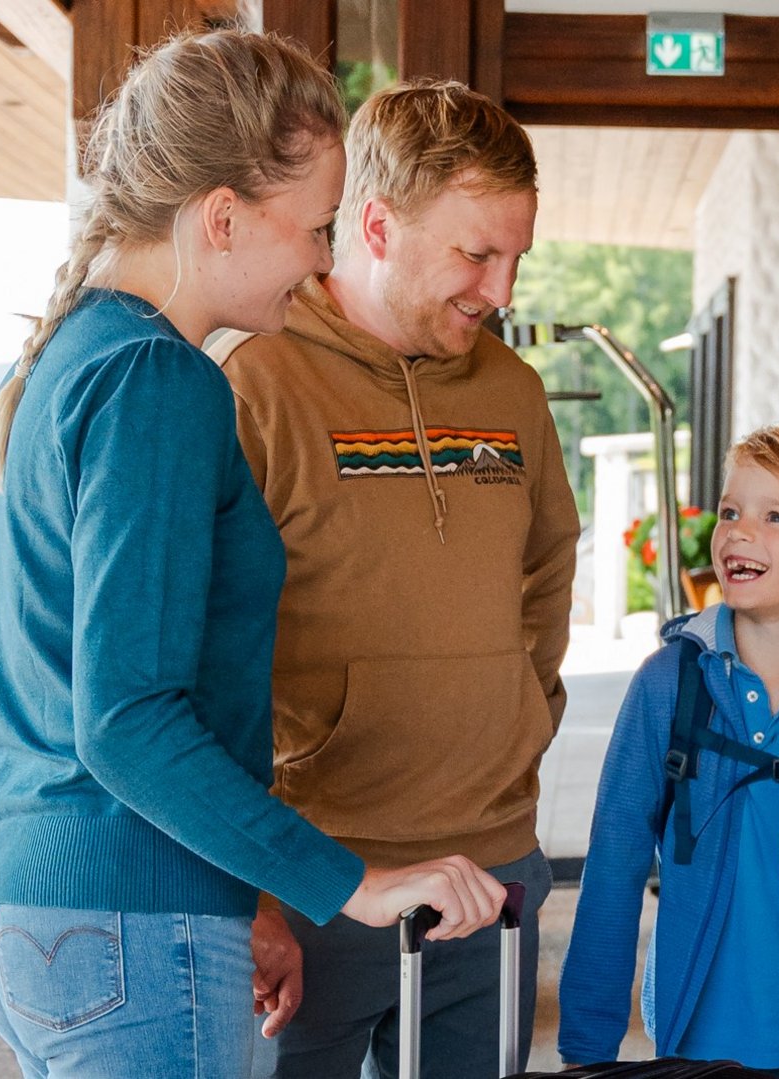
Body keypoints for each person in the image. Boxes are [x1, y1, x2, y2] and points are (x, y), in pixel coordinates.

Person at [0, 31, 506, 1078]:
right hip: (130, 923)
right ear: (223, 217)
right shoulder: (159, 382)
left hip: (55, 911)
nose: (320, 259)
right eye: (314, 227)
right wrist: (351, 882)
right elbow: (126, 719)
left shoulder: (75, 353)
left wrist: (248, 892)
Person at [208, 78, 578, 1078]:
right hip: (319, 874)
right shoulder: (257, 379)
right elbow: (200, 652)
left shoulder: (515, 390)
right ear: (375, 223)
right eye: (476, 253)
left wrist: (518, 719)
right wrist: (256, 885)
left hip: (494, 864)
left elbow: (546, 575)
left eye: (515, 257)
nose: (501, 291)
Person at [558, 422, 779, 1076]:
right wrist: (586, 1052)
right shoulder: (669, 683)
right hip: (695, 1041)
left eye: (773, 515)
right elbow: (614, 860)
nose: (737, 531)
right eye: (731, 510)